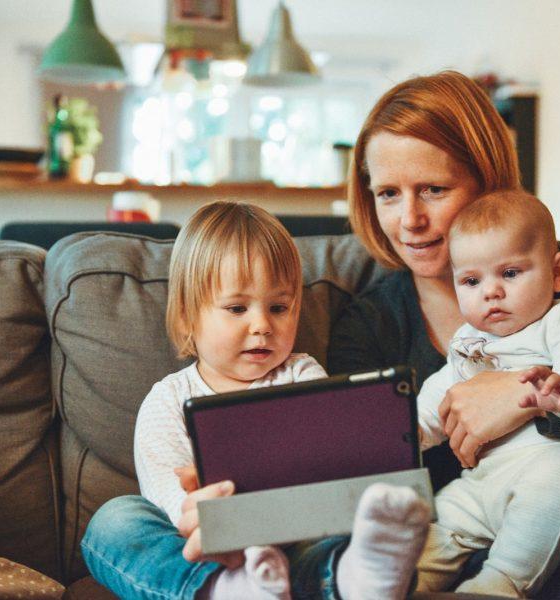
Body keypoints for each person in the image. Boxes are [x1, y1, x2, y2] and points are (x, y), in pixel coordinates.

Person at [326, 70, 560, 597]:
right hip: (454, 530)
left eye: (433, 189)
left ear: (487, 180)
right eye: (388, 193)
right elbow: (371, 466)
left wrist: (525, 395)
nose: (410, 220)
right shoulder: (369, 324)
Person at [82, 201, 432, 600]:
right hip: (208, 549)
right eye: (236, 308)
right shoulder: (168, 400)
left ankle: (355, 578)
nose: (263, 325)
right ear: (185, 317)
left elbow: (331, 461)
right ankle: (227, 590)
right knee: (114, 521)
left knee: (351, 524)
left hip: (296, 536)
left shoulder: (301, 375)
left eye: (279, 307)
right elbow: (168, 498)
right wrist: (214, 520)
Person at [412, 189, 560, 596]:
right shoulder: (468, 340)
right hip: (490, 478)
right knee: (442, 515)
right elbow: (441, 393)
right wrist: (410, 431)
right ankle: (405, 583)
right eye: (471, 280)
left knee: (550, 484)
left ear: (556, 273)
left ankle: (498, 584)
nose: (491, 292)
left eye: (511, 274)